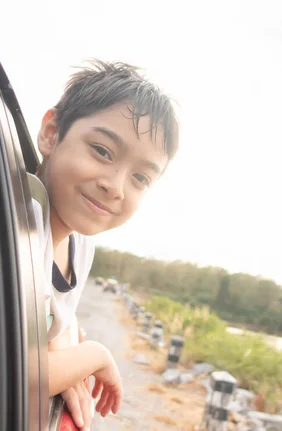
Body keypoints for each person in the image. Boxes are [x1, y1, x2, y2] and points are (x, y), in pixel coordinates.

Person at [31, 59, 179, 430]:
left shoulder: (80, 247)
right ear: (51, 133)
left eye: (140, 177)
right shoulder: (17, 225)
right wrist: (94, 356)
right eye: (102, 151)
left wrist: (65, 353)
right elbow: (7, 372)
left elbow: (59, 320)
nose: (115, 186)